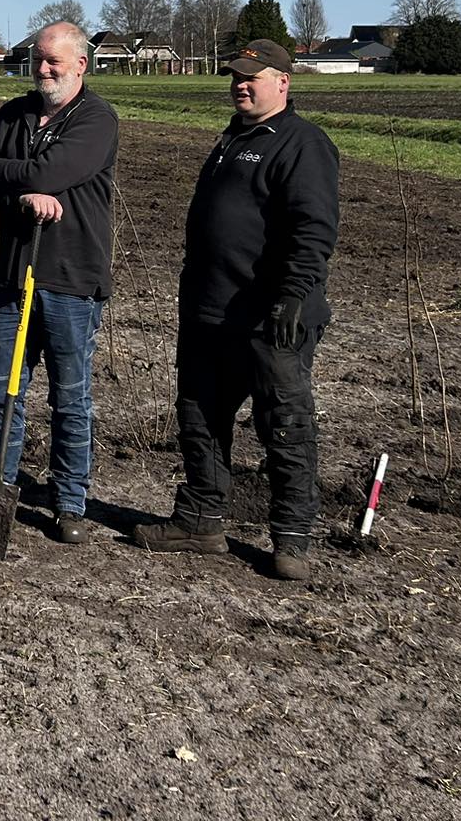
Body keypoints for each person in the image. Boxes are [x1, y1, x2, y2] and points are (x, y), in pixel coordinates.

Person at [134, 38, 340, 582]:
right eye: (235, 78)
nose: (241, 85)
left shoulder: (302, 143)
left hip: (268, 314)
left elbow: (312, 228)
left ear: (283, 82)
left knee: (284, 424)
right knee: (200, 415)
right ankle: (201, 518)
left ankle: (292, 537)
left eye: (253, 77)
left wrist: (296, 292)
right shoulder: (233, 138)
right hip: (210, 308)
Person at [0, 20, 118, 545]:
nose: (44, 70)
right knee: (1, 392)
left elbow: (43, 173)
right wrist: (22, 191)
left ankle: (69, 502)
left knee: (70, 399)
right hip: (13, 273)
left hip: (72, 280)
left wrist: (0, 171)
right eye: (38, 60)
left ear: (80, 65)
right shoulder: (13, 113)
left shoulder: (96, 119)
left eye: (54, 61)